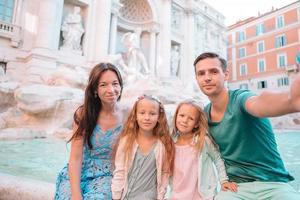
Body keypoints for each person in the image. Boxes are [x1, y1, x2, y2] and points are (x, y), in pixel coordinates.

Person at [193, 52, 300, 200]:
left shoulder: (241, 98)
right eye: (201, 73)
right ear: (197, 79)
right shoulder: (204, 115)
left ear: (226, 74)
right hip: (235, 188)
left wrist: (290, 101)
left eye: (214, 71)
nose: (207, 77)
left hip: (273, 183)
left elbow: (260, 103)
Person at [54, 63, 127, 199]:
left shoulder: (128, 114)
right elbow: (75, 158)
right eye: (103, 85)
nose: (111, 90)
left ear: (121, 86)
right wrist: (76, 195)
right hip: (80, 171)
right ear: (95, 90)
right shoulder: (83, 114)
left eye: (115, 84)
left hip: (108, 175)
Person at [167, 99, 237, 200]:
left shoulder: (202, 141)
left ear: (196, 124)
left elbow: (217, 159)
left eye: (190, 118)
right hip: (177, 195)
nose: (184, 121)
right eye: (181, 115)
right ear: (176, 116)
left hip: (202, 195)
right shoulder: (170, 143)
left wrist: (224, 181)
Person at [111, 94, 174, 200]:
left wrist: (160, 196)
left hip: (150, 196)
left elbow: (165, 172)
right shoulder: (126, 141)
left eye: (152, 113)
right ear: (135, 115)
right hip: (127, 196)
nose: (147, 118)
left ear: (159, 117)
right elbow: (120, 171)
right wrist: (116, 197)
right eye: (142, 113)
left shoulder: (163, 145)